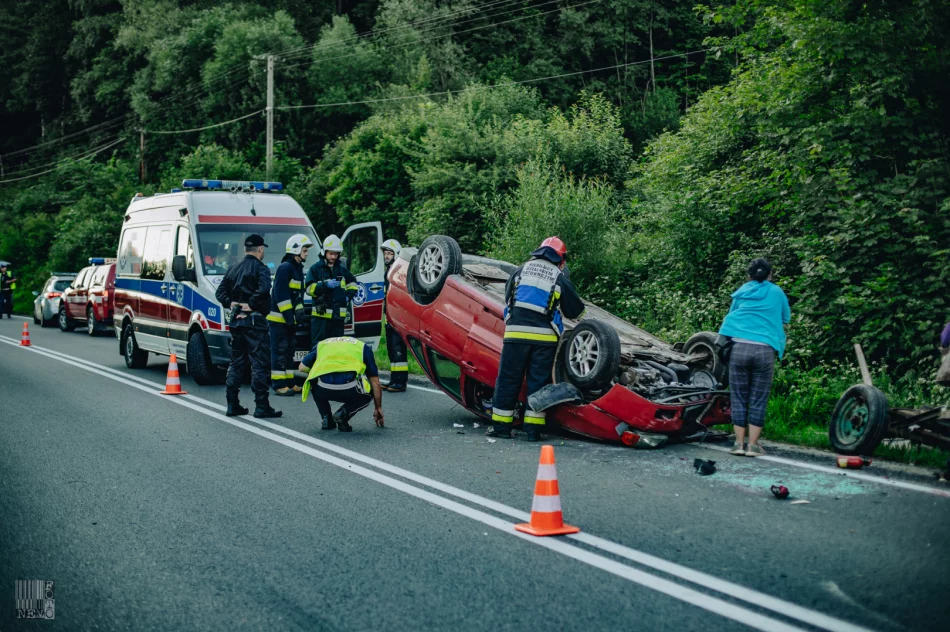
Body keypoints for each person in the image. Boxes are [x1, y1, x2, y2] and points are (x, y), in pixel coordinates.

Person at [487, 237, 585, 442]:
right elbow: (575, 310)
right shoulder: (558, 277)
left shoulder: (520, 270)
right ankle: (532, 431)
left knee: (508, 380)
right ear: (561, 259)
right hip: (544, 339)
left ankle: (500, 428)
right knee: (538, 383)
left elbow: (509, 298)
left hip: (515, 334)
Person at [718, 258, 791, 457]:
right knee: (758, 397)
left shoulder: (742, 291)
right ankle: (753, 445)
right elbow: (786, 318)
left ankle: (738, 444)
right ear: (770, 274)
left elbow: (732, 314)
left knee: (739, 396)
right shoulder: (777, 292)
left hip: (739, 348)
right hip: (764, 350)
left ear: (749, 275)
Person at [214, 234, 282, 419]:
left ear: (245, 249)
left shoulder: (233, 268)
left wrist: (232, 304)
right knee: (259, 364)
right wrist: (251, 304)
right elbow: (264, 289)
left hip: (236, 323)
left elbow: (219, 293)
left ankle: (232, 404)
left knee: (236, 363)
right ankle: (262, 406)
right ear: (260, 249)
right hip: (255, 323)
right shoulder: (261, 268)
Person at [299, 336, 385, 432]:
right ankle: (343, 414)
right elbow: (375, 381)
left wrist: (321, 371)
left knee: (313, 380)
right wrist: (378, 407)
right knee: (369, 392)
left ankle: (326, 419)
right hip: (349, 389)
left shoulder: (321, 345)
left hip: (323, 389)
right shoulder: (362, 347)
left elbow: (302, 368)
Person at [267, 234, 313, 396]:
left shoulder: (297, 268)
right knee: (279, 351)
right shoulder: (285, 268)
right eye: (305, 250)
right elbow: (281, 295)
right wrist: (288, 317)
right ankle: (278, 384)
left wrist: (299, 311)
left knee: (288, 351)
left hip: (289, 320)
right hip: (279, 320)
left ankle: (289, 382)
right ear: (296, 250)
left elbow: (296, 295)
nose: (307, 253)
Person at [305, 234, 358, 349]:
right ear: (324, 252)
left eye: (336, 254)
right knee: (319, 347)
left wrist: (347, 297)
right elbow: (308, 289)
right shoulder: (315, 269)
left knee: (336, 348)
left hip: (338, 318)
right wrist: (324, 285)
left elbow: (353, 284)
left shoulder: (342, 270)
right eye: (331, 253)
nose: (333, 257)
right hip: (321, 318)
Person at [379, 239, 409, 392]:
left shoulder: (399, 272)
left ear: (396, 255)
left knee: (398, 349)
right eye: (385, 253)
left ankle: (400, 382)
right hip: (390, 318)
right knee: (392, 349)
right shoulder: (389, 271)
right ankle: (394, 379)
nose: (387, 256)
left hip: (398, 319)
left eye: (390, 253)